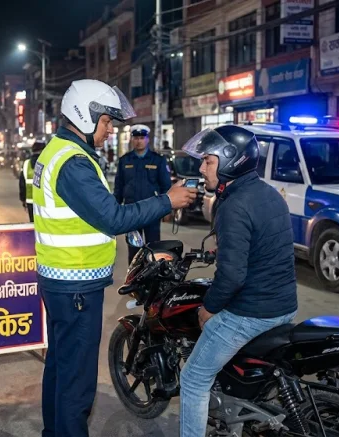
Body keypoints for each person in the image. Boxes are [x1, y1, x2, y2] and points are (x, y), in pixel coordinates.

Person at [34, 79, 197, 437]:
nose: (111, 130)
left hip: (62, 280)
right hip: (74, 284)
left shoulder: (59, 151)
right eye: (107, 122)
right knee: (77, 381)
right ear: (85, 114)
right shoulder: (73, 162)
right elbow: (113, 217)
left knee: (61, 368)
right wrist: (166, 201)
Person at [178, 125, 298, 437]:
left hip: (252, 313)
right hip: (284, 306)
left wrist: (209, 307)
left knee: (192, 378)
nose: (202, 168)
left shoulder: (233, 205)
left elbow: (231, 277)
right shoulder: (268, 193)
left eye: (208, 161)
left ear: (231, 161)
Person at [113, 124, 172, 263]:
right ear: (132, 139)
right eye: (136, 138)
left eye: (142, 137)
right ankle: (133, 280)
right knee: (134, 250)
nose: (139, 141)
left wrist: (168, 208)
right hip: (131, 211)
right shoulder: (125, 160)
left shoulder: (157, 160)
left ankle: (153, 280)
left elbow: (166, 186)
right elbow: (119, 187)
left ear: (147, 139)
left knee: (154, 248)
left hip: (153, 210)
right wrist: (115, 208)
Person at [19, 141, 46, 222]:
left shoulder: (26, 164)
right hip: (46, 202)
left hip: (31, 202)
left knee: (33, 225)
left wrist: (23, 200)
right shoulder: (47, 162)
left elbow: (22, 184)